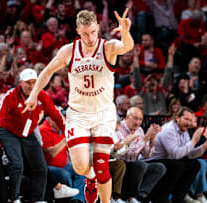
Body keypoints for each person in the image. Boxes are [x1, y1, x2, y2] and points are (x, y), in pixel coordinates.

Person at [23, 9, 134, 203]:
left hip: (103, 114)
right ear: (77, 31)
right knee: (81, 166)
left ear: (98, 28)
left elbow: (126, 46)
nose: (90, 37)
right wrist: (33, 95)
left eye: (93, 32)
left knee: (102, 165)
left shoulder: (107, 47)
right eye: (84, 33)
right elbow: (48, 71)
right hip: (78, 114)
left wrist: (125, 31)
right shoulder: (69, 51)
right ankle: (89, 178)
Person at [0, 68, 65, 203]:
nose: (32, 86)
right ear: (20, 82)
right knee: (17, 164)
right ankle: (14, 198)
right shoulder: (11, 95)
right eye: (28, 83)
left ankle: (38, 199)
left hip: (28, 131)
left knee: (41, 166)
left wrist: (68, 131)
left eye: (34, 82)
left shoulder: (41, 95)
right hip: (8, 130)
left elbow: (56, 115)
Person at [142, 107, 207, 203]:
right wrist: (194, 141)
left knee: (194, 164)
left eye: (190, 120)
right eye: (186, 119)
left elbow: (189, 154)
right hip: (151, 159)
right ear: (177, 117)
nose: (188, 123)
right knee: (178, 165)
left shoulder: (184, 131)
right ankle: (161, 199)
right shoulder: (169, 129)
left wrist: (205, 145)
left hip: (167, 160)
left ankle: (178, 199)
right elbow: (175, 154)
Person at [113, 107, 165, 203]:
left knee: (159, 167)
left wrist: (152, 139)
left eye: (140, 119)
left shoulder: (139, 130)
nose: (138, 122)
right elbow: (128, 153)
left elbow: (146, 155)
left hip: (134, 164)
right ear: (127, 117)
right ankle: (130, 197)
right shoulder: (119, 128)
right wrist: (145, 138)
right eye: (135, 118)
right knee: (140, 165)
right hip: (122, 163)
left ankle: (140, 197)